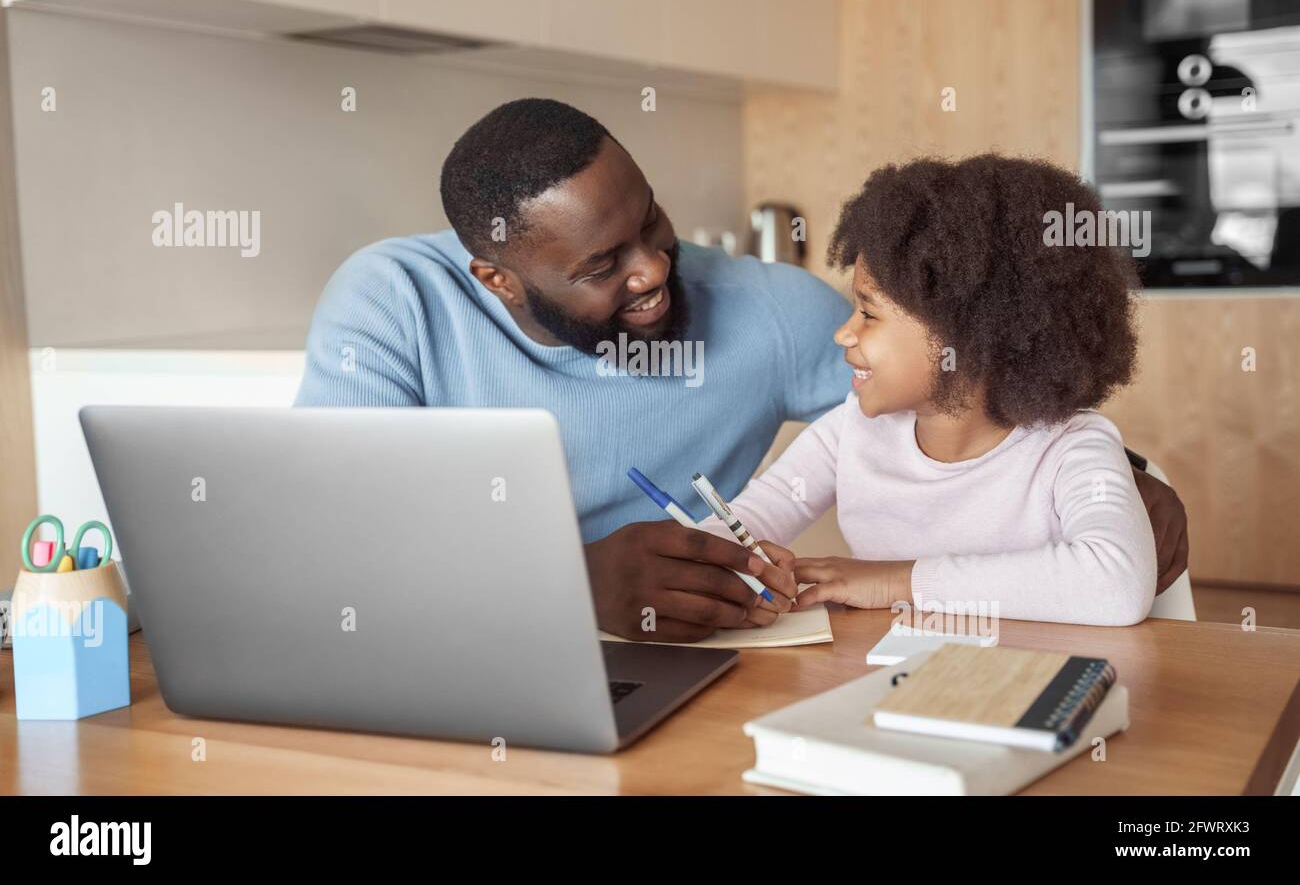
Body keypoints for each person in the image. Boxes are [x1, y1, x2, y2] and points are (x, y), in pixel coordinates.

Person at [296, 98, 1190, 641]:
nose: (651, 272)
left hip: (684, 656)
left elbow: (979, 377)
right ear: (494, 278)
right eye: (602, 268)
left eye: (651, 223)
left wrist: (1133, 486)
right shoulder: (391, 302)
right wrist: (573, 584)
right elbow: (330, 562)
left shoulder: (768, 311)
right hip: (463, 646)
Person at [701, 155, 1158, 625]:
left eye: (869, 313)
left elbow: (1117, 586)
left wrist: (896, 581)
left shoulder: (1070, 447)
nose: (844, 333)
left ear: (967, 334)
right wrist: (724, 570)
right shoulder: (847, 434)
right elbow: (742, 524)